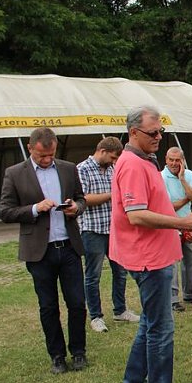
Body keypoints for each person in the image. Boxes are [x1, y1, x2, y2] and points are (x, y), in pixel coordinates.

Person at [111, 106, 192, 383]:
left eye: (160, 131)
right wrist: (182, 224)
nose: (159, 137)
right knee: (161, 327)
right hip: (149, 259)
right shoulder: (133, 165)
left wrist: (180, 227)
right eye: (153, 133)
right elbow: (136, 215)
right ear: (133, 133)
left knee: (150, 322)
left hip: (154, 254)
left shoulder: (141, 160)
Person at [0, 127, 88, 374]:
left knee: (78, 303)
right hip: (40, 252)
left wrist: (76, 208)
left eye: (51, 155)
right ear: (30, 149)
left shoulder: (69, 168)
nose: (47, 160)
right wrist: (35, 209)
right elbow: (5, 211)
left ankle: (79, 352)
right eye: (42, 156)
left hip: (69, 246)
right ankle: (57, 356)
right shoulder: (15, 173)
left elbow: (81, 199)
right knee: (48, 306)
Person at [77, 136, 137, 333]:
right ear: (101, 151)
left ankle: (120, 310)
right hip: (92, 229)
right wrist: (113, 194)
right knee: (93, 276)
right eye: (112, 157)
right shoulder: (82, 169)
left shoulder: (113, 169)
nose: (113, 162)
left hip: (114, 230)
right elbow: (84, 199)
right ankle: (95, 316)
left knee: (120, 272)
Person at [162, 146, 192, 312]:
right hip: (170, 223)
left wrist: (183, 179)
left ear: (182, 161)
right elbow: (168, 206)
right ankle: (172, 299)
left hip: (188, 223)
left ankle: (190, 294)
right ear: (166, 159)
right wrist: (187, 198)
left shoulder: (189, 174)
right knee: (172, 263)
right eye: (171, 159)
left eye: (177, 160)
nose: (174, 163)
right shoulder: (160, 177)